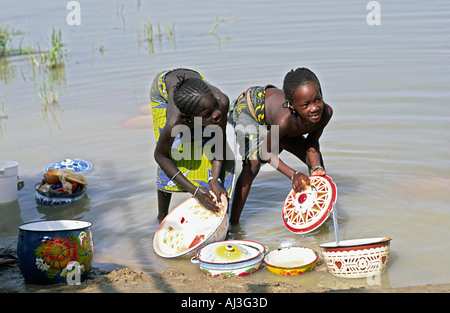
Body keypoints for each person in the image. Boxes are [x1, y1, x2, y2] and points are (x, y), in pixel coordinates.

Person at [228, 67, 333, 225]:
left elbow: (311, 143)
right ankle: (233, 225)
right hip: (249, 109)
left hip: (277, 120)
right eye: (306, 105)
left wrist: (316, 167)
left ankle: (321, 216)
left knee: (316, 167)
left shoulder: (326, 113)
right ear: (292, 106)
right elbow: (265, 152)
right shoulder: (284, 121)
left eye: (317, 99)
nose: (314, 108)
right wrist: (293, 174)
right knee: (253, 164)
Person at [150, 68, 234, 222]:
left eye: (215, 107)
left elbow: (218, 142)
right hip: (163, 91)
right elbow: (160, 156)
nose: (217, 114)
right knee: (175, 151)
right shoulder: (174, 121)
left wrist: (214, 179)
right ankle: (161, 216)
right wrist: (195, 191)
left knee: (210, 146)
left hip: (195, 90)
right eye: (208, 115)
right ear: (188, 119)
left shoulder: (221, 101)